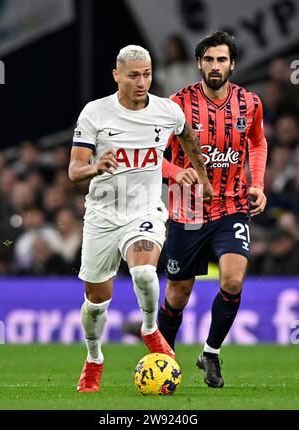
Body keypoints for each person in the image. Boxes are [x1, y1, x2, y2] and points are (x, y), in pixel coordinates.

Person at [68, 45, 213, 392]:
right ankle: (93, 359)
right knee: (96, 303)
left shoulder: (167, 111)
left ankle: (150, 329)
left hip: (144, 210)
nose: (141, 81)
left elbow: (189, 139)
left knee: (146, 272)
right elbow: (74, 171)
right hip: (103, 214)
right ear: (117, 75)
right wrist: (94, 167)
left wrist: (202, 178)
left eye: (147, 74)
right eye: (133, 75)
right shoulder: (95, 113)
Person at [158, 32, 267, 388]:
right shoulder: (177, 105)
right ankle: (162, 360)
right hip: (187, 211)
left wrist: (258, 184)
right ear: (199, 64)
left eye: (221, 60)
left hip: (232, 207)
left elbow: (257, 141)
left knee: (233, 279)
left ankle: (211, 352)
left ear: (232, 64)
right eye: (209, 60)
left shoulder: (249, 103)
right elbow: (152, 155)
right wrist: (177, 172)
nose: (215, 66)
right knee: (178, 293)